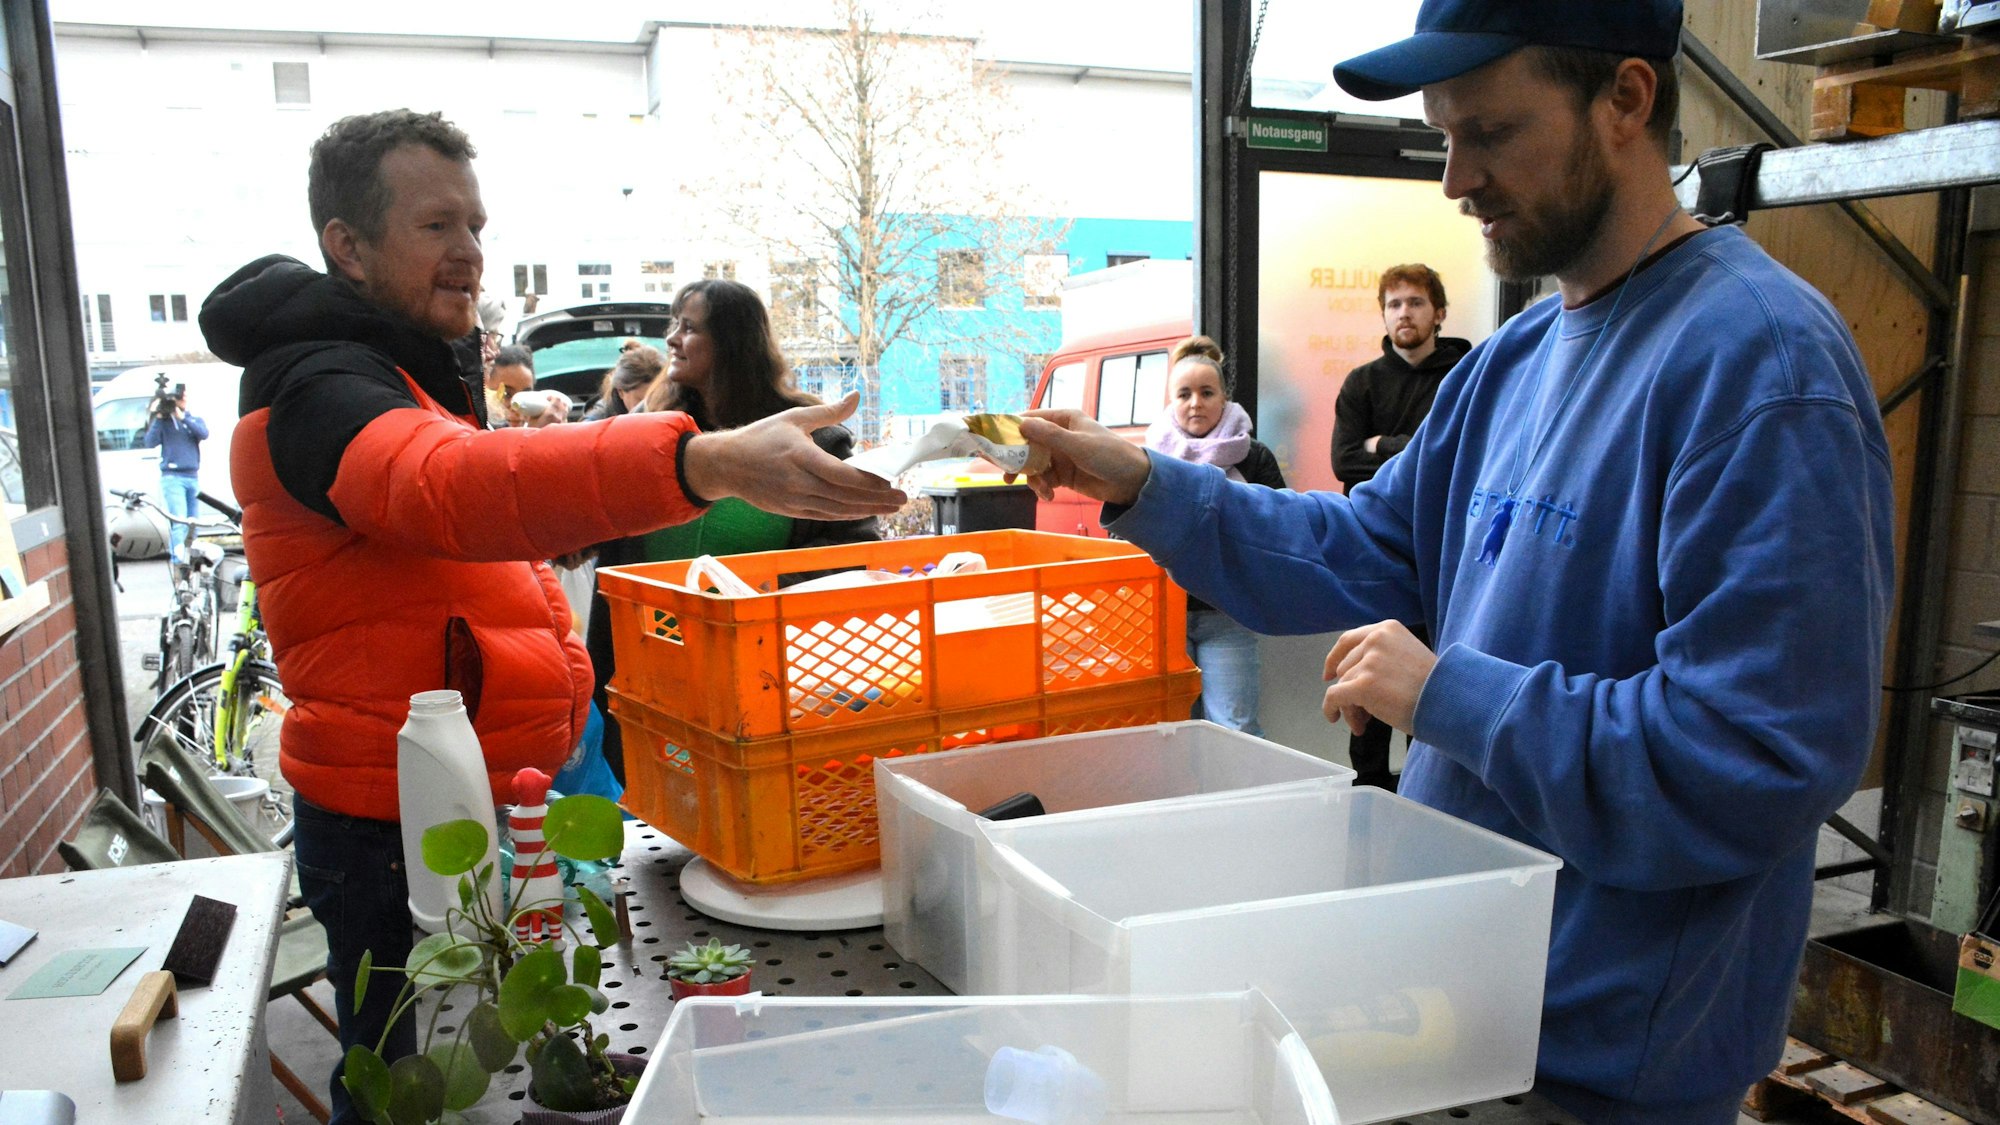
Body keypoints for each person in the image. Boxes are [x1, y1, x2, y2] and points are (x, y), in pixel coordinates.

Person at [1013, 3, 1894, 1121]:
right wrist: (1142, 483)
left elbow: (1752, 758)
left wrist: (1447, 697)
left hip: (1605, 1069)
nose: (1452, 179)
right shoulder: (1517, 358)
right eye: (1442, 135)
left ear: (1624, 100)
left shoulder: (1758, 370)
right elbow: (1359, 548)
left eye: (1488, 132)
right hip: (1454, 1011)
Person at [197, 109, 903, 1124]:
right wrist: (693, 459)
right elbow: (443, 490)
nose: (470, 254)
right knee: (412, 1095)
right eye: (437, 226)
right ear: (346, 245)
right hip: (392, 824)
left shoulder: (392, 370)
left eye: (475, 226)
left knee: (488, 1073)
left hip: (466, 803)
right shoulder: (317, 386)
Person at [586, 278, 880, 780]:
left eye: (689, 327)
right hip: (648, 663)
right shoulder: (652, 427)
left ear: (733, 340)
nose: (673, 340)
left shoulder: (811, 436)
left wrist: (739, 604)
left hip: (762, 671)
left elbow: (850, 553)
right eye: (673, 326)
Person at [1331, 263, 1469, 789]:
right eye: (1393, 304)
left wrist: (1382, 446)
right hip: (1374, 556)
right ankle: (1366, 792)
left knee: (1427, 682)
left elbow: (1459, 460)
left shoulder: (1467, 374)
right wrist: (1414, 449)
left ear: (1439, 312)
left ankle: (1426, 796)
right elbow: (1345, 461)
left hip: (1442, 557)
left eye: (1414, 302)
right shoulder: (1362, 382)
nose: (1403, 313)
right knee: (1365, 683)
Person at [1146, 336, 1284, 735]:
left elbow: (1279, 521)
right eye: (1184, 394)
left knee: (1235, 729)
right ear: (1171, 401)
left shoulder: (1253, 455)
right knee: (1171, 733)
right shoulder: (1149, 457)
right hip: (1164, 614)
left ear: (1224, 398)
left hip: (1227, 611)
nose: (1195, 403)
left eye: (1207, 393)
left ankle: (1238, 800)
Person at [139, 383, 209, 568]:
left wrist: (183, 417)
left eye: (181, 399)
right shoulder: (163, 423)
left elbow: (203, 433)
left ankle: (191, 558)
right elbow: (150, 442)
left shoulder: (191, 419)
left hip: (192, 476)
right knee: (179, 521)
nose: (178, 403)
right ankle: (179, 562)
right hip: (172, 477)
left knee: (193, 522)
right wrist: (159, 417)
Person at [583, 343, 662, 420]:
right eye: (640, 402)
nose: (650, 409)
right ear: (621, 392)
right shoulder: (598, 420)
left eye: (657, 400)